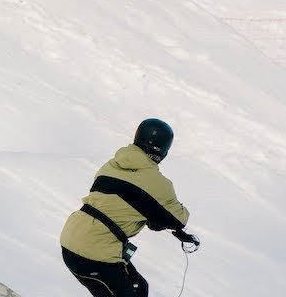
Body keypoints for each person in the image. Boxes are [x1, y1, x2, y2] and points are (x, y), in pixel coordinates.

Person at [60, 119, 199, 297]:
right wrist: (154, 217)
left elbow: (118, 199)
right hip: (95, 252)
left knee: (138, 287)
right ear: (164, 150)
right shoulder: (157, 184)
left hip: (74, 236)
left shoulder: (111, 165)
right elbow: (178, 219)